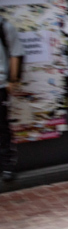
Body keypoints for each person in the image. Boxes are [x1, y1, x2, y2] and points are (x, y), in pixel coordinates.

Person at [0, 15, 24, 184]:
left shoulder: (4, 26)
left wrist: (13, 79)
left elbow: (16, 53)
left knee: (2, 127)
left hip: (1, 84)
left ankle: (7, 166)